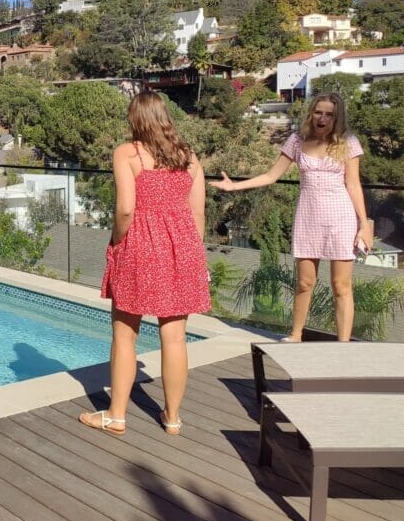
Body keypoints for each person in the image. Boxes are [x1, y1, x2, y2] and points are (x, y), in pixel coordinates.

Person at [79, 91, 210, 437]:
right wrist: (191, 253)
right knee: (175, 337)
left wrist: (117, 240)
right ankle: (173, 418)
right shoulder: (189, 157)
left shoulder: (128, 153)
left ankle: (116, 415)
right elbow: (198, 213)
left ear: (135, 119)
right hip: (182, 246)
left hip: (139, 244)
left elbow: (125, 209)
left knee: (125, 334)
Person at [210, 92, 369, 342]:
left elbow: (354, 185)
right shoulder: (297, 140)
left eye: (329, 114)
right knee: (305, 282)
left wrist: (364, 225)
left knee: (341, 286)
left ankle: (344, 345)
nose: (323, 118)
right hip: (308, 217)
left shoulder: (348, 142)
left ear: (337, 117)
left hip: (341, 218)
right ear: (311, 113)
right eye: (319, 112)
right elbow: (270, 176)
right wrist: (234, 187)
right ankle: (295, 335)